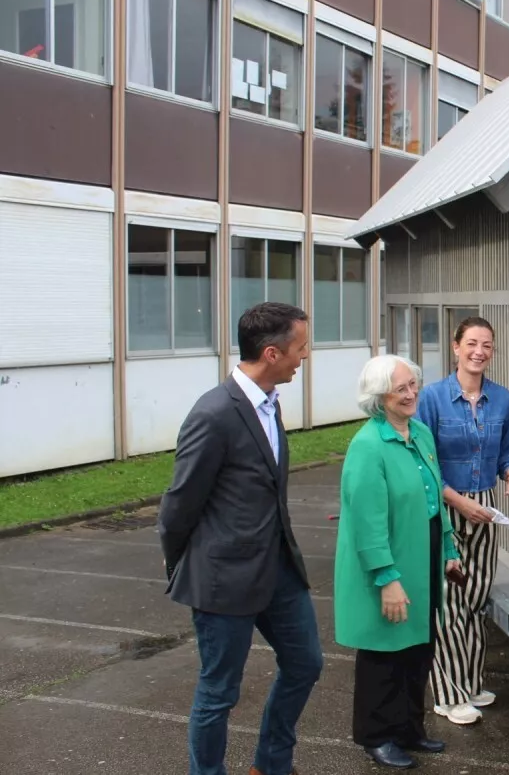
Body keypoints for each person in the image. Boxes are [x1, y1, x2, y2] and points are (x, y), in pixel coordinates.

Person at [158, 302, 324, 775]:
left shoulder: (271, 403)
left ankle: (271, 764)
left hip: (277, 571)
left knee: (305, 664)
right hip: (223, 580)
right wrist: (186, 568)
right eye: (300, 347)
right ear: (271, 353)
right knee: (219, 693)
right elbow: (178, 505)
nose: (305, 355)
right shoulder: (214, 413)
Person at [334, 355, 463, 769]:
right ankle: (377, 735)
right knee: (384, 654)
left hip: (421, 555)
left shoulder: (420, 432)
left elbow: (434, 502)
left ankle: (409, 728)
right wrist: (387, 579)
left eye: (413, 385)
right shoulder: (368, 446)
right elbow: (366, 524)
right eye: (400, 389)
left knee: (418, 649)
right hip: (389, 563)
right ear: (379, 397)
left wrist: (449, 549)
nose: (411, 394)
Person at [416, 316, 509, 725]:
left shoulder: (502, 398)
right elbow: (422, 463)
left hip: (484, 506)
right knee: (448, 601)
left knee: (476, 596)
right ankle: (448, 694)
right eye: (471, 343)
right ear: (455, 347)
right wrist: (457, 502)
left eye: (487, 344)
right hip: (444, 504)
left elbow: (508, 451)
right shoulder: (430, 399)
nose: (479, 351)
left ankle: (470, 679)